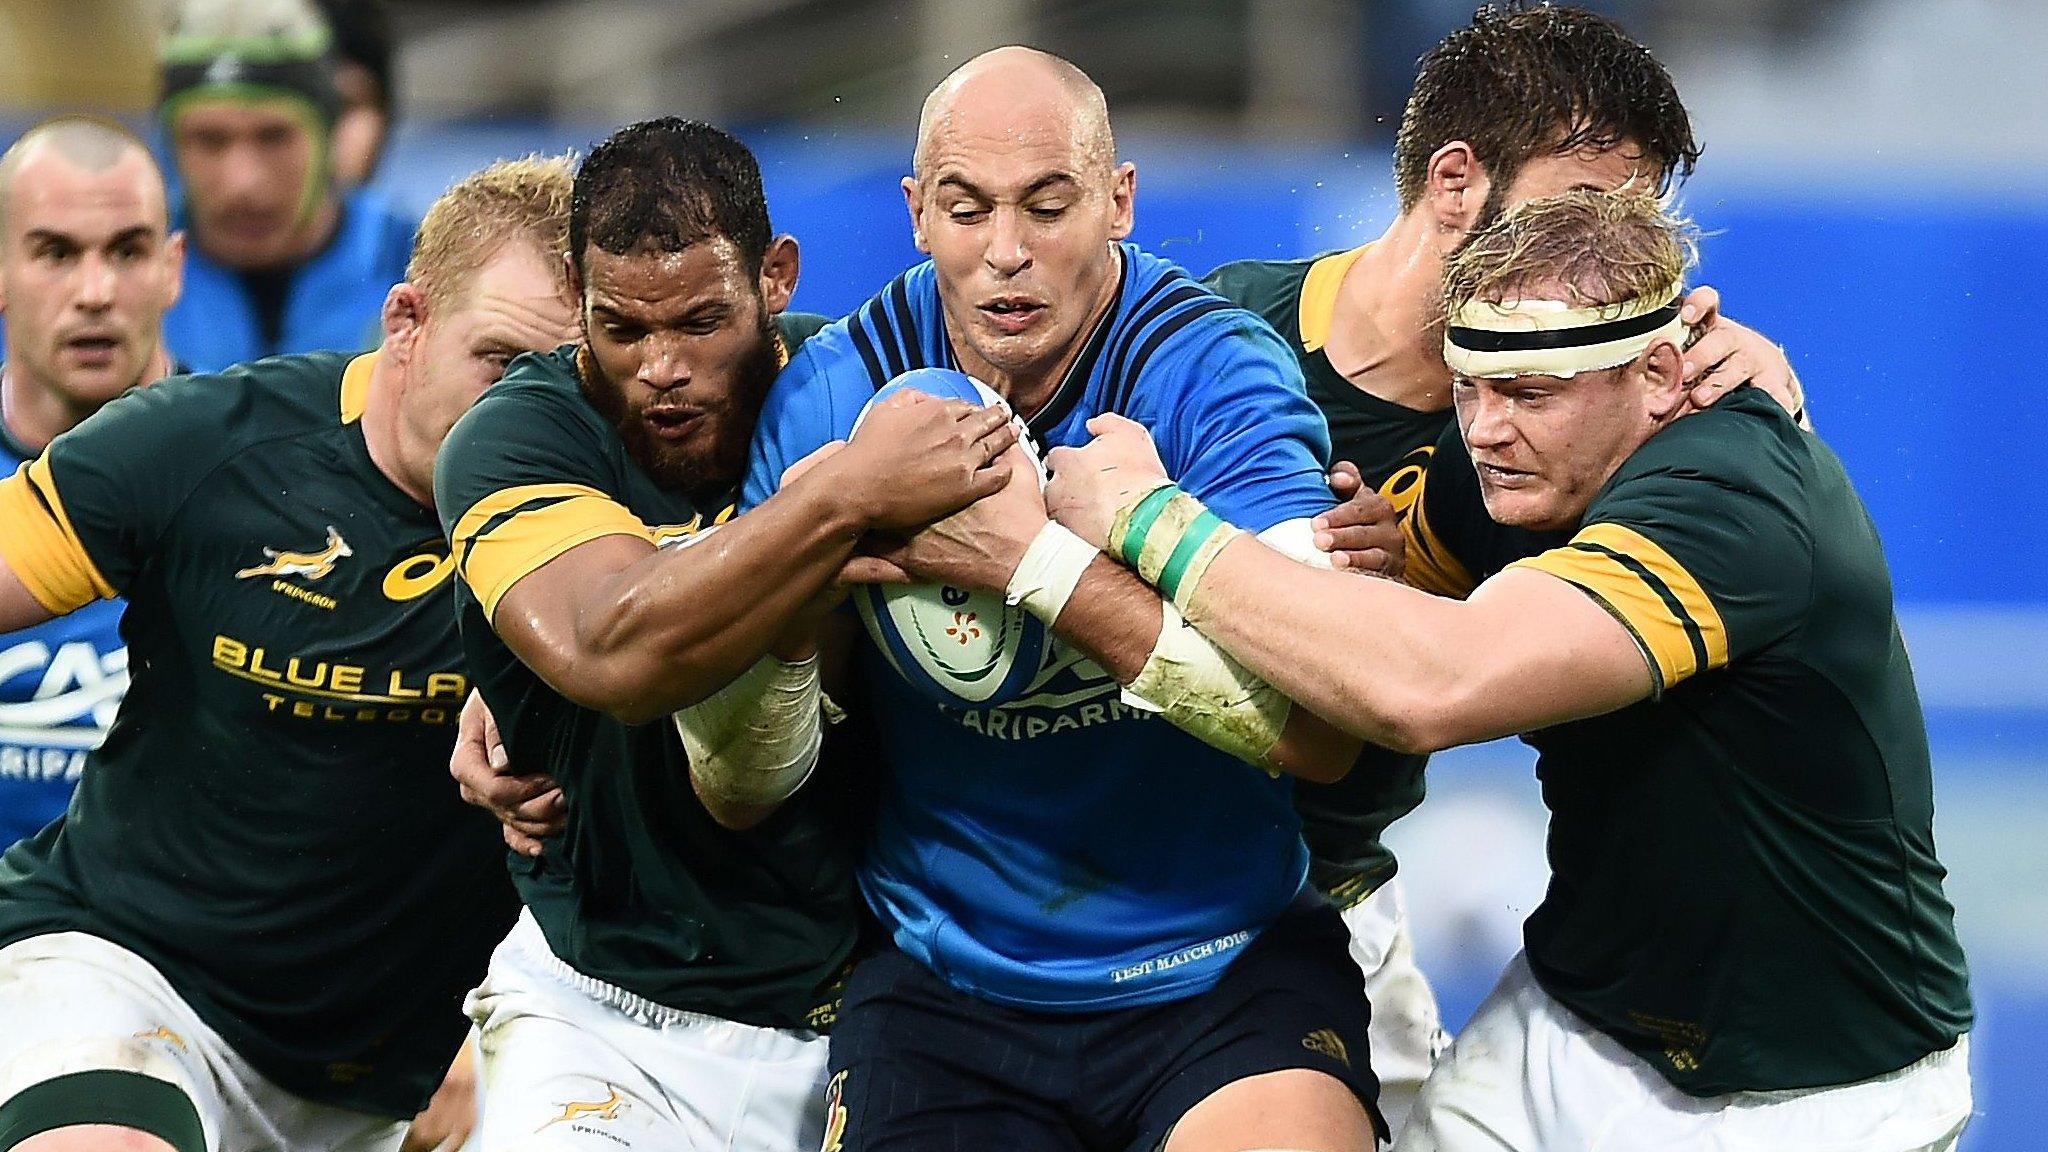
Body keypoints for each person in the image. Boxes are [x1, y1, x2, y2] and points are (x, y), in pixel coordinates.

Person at [1043, 189, 1974, 1152]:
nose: (1485, 431)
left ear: (1659, 374)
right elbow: (1339, 631)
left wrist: (1149, 522)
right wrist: (1372, 561)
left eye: (1532, 394)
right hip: (1576, 1019)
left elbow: (1431, 685)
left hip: (1824, 1089)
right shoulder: (1503, 468)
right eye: (1469, 388)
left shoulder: (1731, 496)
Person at [744, 47, 1383, 1152]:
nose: (1006, 252)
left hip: (1221, 971)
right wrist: (792, 598)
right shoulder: (831, 405)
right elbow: (738, 784)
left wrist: (1035, 564)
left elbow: (1320, 734)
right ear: (913, 214)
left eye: (1048, 205)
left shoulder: (1210, 377)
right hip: (943, 986)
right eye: (965, 209)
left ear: (1117, 201)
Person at [1198, 6, 1800, 1131]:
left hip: (1323, 926)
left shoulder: (1639, 407)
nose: (1614, 257)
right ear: (1454, 182)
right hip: (1094, 917)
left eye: (1638, 222)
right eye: (1584, 209)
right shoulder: (1221, 333)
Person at [432, 117, 1020, 1152]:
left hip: (878, 1020)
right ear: (575, 298)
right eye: (620, 328)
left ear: (775, 276)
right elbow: (611, 654)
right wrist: (840, 502)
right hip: (606, 1017)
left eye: (700, 322)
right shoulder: (517, 438)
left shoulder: (868, 400)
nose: (662, 367)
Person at [0, 155, 578, 1152]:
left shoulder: (612, 518)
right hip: (129, 977)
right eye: (498, 362)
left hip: (392, 1070)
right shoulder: (205, 448)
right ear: (407, 322)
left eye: (564, 380)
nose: (526, 413)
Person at [0, 117, 183, 849]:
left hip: (176, 938)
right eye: (55, 253)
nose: (96, 292)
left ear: (174, 268)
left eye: (128, 251)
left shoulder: (264, 475)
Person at [157, 0, 416, 371]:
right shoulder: (124, 276)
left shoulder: (420, 267)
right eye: (210, 140)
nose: (241, 182)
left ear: (330, 135)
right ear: (171, 145)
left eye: (273, 137)